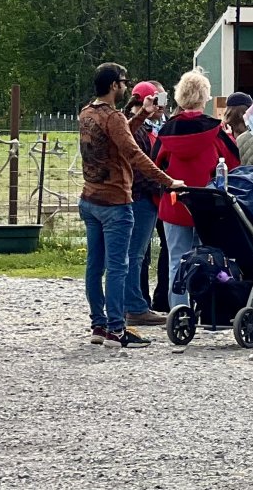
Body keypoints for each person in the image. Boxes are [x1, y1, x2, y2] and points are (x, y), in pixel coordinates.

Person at [78, 62, 183, 347]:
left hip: (90, 199)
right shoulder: (112, 117)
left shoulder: (86, 113)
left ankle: (99, 325)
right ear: (114, 85)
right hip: (115, 203)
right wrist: (168, 181)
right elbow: (133, 153)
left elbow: (117, 139)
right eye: (123, 82)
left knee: (94, 266)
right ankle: (117, 328)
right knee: (118, 266)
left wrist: (143, 114)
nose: (126, 87)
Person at [152, 69, 240, 308]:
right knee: (208, 258)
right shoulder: (216, 130)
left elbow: (154, 165)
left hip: (174, 203)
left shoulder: (166, 131)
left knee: (176, 261)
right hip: (208, 205)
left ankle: (178, 311)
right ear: (205, 97)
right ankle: (206, 306)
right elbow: (234, 163)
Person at [122, 80, 168, 327]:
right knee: (135, 254)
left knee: (134, 254)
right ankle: (135, 306)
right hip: (141, 198)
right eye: (158, 100)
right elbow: (140, 167)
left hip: (142, 197)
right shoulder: (137, 130)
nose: (162, 106)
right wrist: (163, 184)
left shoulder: (142, 127)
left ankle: (129, 304)